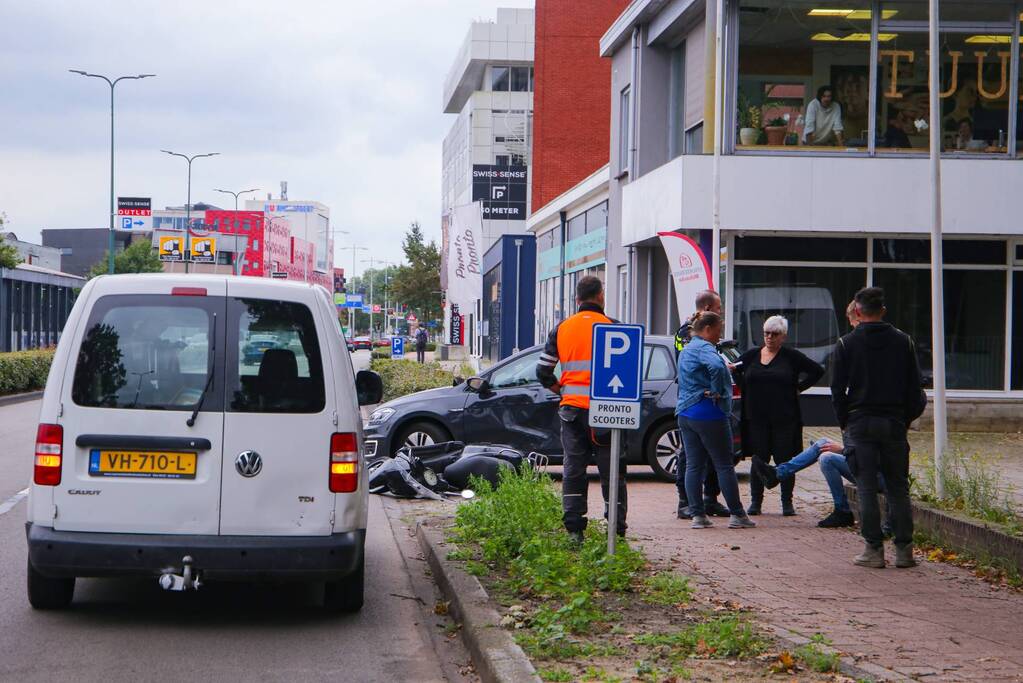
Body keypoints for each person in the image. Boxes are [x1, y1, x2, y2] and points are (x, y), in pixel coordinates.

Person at [831, 287, 926, 569]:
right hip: (894, 421)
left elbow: (837, 390)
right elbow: (916, 389)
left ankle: (873, 549)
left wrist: (846, 422)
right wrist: (905, 419)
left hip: (860, 421)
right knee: (898, 488)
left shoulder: (846, 344)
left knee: (866, 487)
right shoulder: (904, 342)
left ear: (858, 311)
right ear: (883, 310)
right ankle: (904, 550)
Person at [536, 276, 627, 544]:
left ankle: (575, 531)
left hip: (572, 411)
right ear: (600, 296)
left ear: (577, 299)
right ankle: (616, 532)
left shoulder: (562, 328)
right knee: (613, 471)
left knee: (574, 469)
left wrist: (562, 390)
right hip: (608, 413)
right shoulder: (615, 328)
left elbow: (542, 371)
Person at [735, 315, 824, 517]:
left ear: (783, 336)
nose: (769, 337)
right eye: (766, 333)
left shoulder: (791, 357)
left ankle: (787, 502)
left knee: (785, 459)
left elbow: (817, 371)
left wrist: (799, 387)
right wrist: (745, 388)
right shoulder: (751, 356)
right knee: (759, 459)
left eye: (775, 334)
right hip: (756, 418)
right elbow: (734, 369)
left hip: (784, 418)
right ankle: (756, 502)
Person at [676, 311, 755, 530]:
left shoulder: (687, 348)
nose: (719, 336)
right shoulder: (705, 348)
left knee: (694, 465)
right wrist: (718, 390)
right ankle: (738, 515)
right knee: (724, 465)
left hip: (685, 412)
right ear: (708, 329)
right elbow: (717, 367)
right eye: (718, 331)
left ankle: (698, 516)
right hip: (708, 413)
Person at [673, 290, 729, 520]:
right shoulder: (689, 332)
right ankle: (686, 502)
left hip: (704, 402)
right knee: (690, 457)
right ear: (707, 308)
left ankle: (710, 499)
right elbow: (691, 362)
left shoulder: (704, 332)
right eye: (718, 308)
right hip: (694, 400)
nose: (721, 312)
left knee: (710, 456)